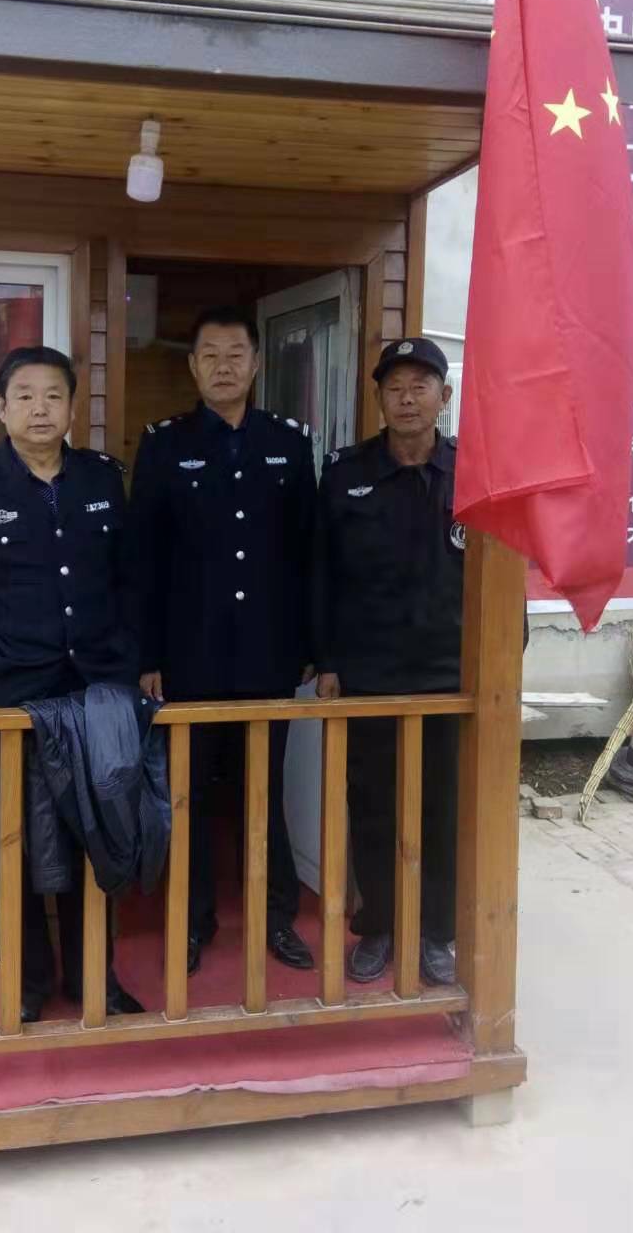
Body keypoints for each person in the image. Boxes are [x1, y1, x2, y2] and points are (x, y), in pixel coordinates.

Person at [0, 345, 143, 1022]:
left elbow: (128, 582)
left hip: (94, 690)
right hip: (9, 694)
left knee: (95, 828)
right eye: (24, 396)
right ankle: (25, 981)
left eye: (53, 395)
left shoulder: (102, 479)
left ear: (73, 406)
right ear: (1, 408)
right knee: (13, 836)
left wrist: (128, 662)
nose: (40, 408)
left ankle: (93, 977)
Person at [127, 307, 317, 974]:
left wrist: (311, 644)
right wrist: (147, 655)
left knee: (263, 790)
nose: (224, 366)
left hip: (268, 653)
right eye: (210, 354)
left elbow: (308, 552)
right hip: (190, 655)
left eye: (236, 353)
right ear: (192, 366)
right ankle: (192, 921)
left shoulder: (288, 443)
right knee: (192, 796)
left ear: (257, 363)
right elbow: (142, 559)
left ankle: (276, 917)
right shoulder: (164, 444)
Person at [313, 336, 464, 988]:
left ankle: (434, 932)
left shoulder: (473, 474)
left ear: (443, 397)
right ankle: (378, 924)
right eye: (394, 388)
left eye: (419, 387)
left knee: (443, 807)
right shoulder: (345, 474)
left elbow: (501, 573)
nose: (407, 399)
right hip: (370, 671)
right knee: (373, 803)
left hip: (449, 674)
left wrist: (501, 656)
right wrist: (326, 659)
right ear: (378, 398)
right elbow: (321, 573)